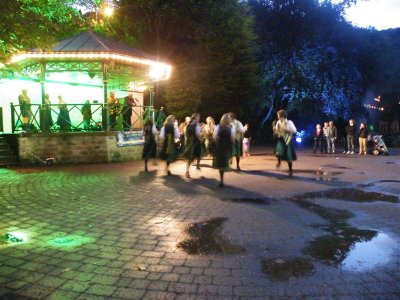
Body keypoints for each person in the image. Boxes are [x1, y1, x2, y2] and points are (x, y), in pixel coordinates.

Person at [213, 114, 236, 187]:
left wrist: (218, 142)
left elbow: (215, 138)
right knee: (225, 161)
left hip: (220, 146)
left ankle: (221, 179)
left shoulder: (218, 127)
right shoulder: (231, 128)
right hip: (227, 146)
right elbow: (232, 139)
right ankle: (229, 163)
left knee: (220, 164)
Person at [274, 109, 297, 174]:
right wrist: (275, 130)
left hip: (287, 140)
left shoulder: (289, 122)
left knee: (288, 155)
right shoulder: (278, 122)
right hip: (280, 140)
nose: (277, 116)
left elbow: (295, 130)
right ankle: (279, 162)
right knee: (278, 152)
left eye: (278, 115)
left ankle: (290, 168)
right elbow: (277, 130)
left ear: (282, 116)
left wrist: (286, 128)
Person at [183, 113, 203, 178]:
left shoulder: (188, 125)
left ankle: (187, 172)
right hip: (196, 142)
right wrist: (201, 139)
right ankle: (198, 165)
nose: (199, 119)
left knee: (189, 158)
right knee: (199, 153)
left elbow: (186, 134)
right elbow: (198, 134)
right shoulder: (197, 125)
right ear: (196, 118)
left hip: (189, 143)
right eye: (198, 117)